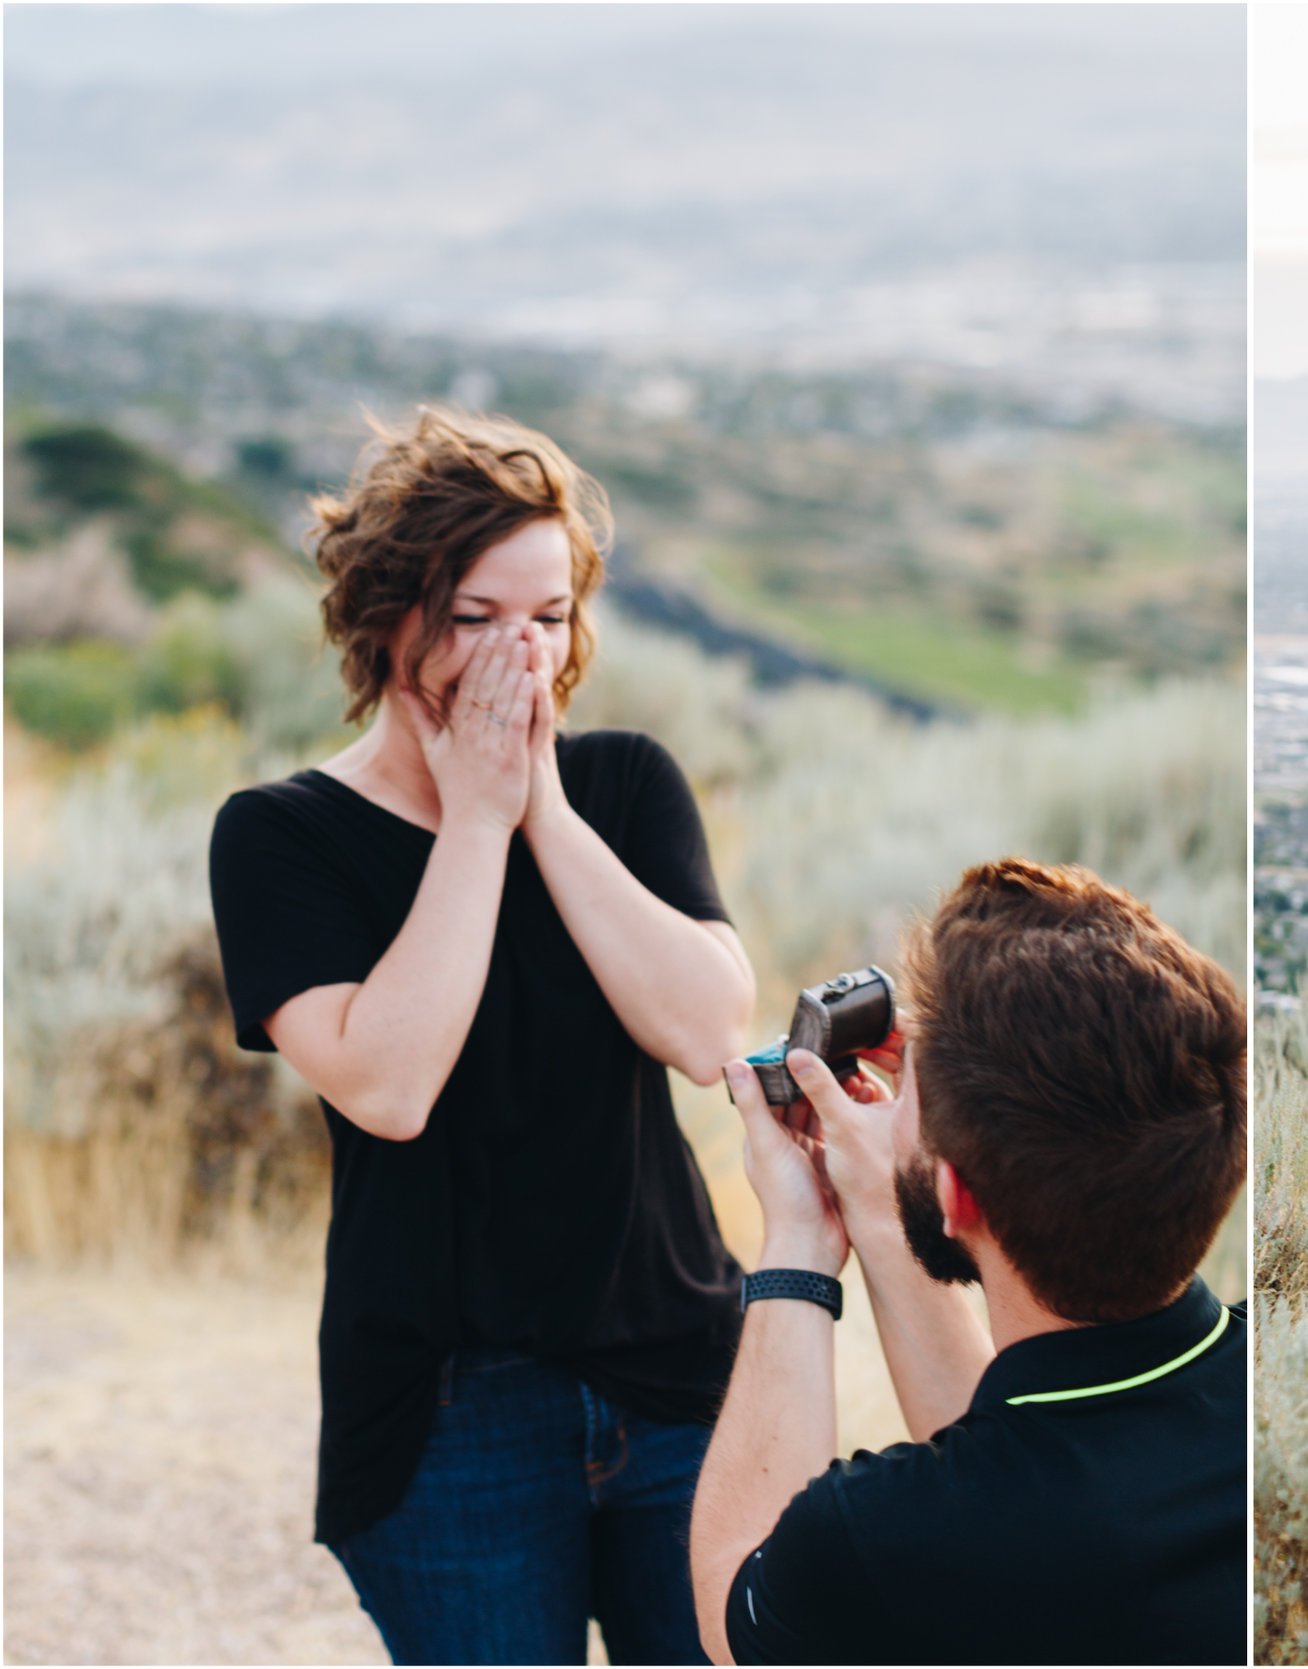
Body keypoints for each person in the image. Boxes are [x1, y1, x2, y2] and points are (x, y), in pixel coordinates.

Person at [208, 410, 756, 1664]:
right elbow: (388, 1085)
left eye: (549, 616)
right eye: (475, 618)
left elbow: (708, 1028)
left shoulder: (623, 787)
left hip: (678, 1369)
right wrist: (470, 823)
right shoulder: (281, 837)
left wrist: (540, 809)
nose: (521, 652)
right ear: (385, 617)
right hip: (452, 1416)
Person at [689, 858, 1247, 1667]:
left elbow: (730, 1593)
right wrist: (886, 1207)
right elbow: (1014, 1444)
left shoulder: (877, 1537)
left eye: (913, 1092)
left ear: (957, 1197)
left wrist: (797, 1251)